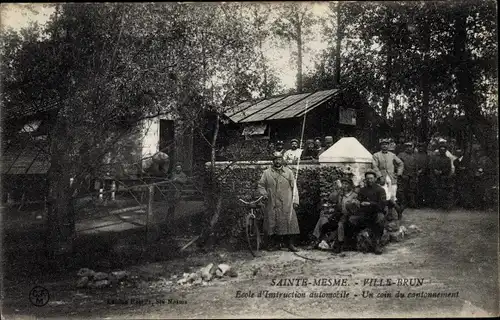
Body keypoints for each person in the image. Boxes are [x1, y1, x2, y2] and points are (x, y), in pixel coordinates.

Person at [258, 151, 300, 252]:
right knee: (273, 223)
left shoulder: (288, 172)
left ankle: (290, 245)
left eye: (279, 159)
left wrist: (295, 201)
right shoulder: (267, 173)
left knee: (289, 223)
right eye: (276, 159)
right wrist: (264, 194)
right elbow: (261, 185)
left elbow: (294, 188)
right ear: (273, 161)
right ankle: (275, 245)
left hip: (287, 202)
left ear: (282, 160)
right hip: (272, 202)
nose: (278, 161)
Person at [348, 170, 387, 255]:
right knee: (351, 219)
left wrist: (370, 203)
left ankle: (377, 243)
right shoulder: (362, 190)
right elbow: (359, 201)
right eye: (367, 178)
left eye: (371, 178)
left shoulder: (380, 190)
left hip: (376, 213)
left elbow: (382, 204)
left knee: (380, 219)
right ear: (365, 179)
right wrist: (356, 202)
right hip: (365, 214)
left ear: (375, 179)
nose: (369, 180)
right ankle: (356, 243)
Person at [331, 178, 360, 254]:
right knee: (338, 223)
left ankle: (342, 243)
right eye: (343, 184)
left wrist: (354, 203)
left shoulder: (354, 195)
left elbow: (357, 206)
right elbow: (332, 199)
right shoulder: (341, 195)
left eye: (347, 184)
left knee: (342, 224)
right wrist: (337, 191)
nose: (345, 186)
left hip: (352, 215)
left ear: (351, 185)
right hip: (343, 215)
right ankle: (338, 243)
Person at [372, 139, 404, 203]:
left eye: (386, 144)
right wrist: (380, 176)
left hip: (392, 177)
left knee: (393, 194)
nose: (384, 146)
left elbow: (401, 163)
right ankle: (384, 210)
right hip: (382, 177)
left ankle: (391, 211)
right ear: (380, 146)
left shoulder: (392, 155)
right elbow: (374, 166)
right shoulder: (376, 155)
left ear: (388, 146)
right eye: (383, 144)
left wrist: (398, 173)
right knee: (383, 194)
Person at [429, 142, 453, 209]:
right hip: (435, 177)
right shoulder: (435, 158)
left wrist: (441, 172)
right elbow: (431, 166)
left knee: (443, 191)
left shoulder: (447, 159)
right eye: (441, 149)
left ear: (445, 150)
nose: (442, 151)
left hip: (443, 177)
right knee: (435, 190)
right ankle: (435, 205)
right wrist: (435, 171)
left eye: (444, 149)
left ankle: (442, 205)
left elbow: (448, 168)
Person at [397, 142, 418, 208]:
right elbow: (396, 164)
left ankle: (412, 203)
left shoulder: (414, 156)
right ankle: (403, 203)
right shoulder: (400, 155)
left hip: (412, 175)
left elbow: (416, 166)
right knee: (401, 190)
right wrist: (400, 173)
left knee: (411, 190)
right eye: (407, 147)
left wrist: (416, 174)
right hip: (404, 175)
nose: (408, 148)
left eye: (410, 147)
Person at [414, 142, 430, 208]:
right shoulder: (415, 155)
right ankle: (416, 203)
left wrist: (421, 171)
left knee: (422, 189)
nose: (420, 148)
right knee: (416, 189)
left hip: (424, 175)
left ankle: (423, 203)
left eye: (422, 147)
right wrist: (416, 171)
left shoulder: (426, 156)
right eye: (419, 147)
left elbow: (427, 165)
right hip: (415, 174)